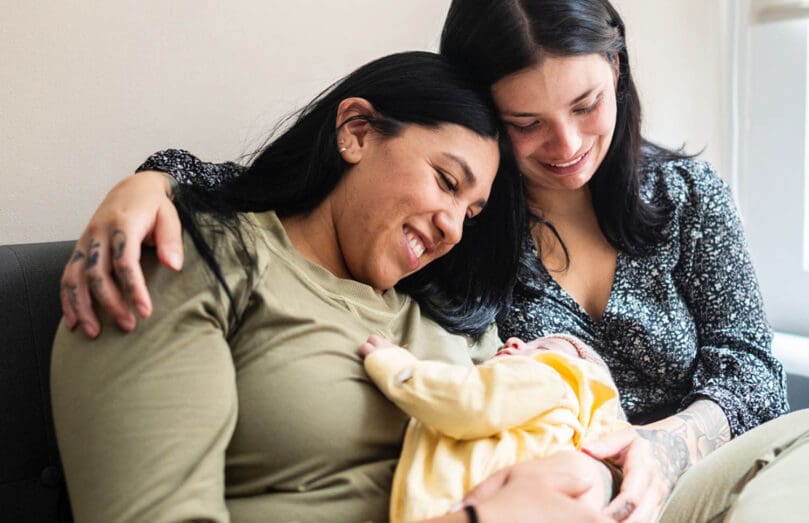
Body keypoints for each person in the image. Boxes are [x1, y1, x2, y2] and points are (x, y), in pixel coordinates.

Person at [59, 0, 809, 521]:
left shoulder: (675, 200)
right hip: (548, 492)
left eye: (585, 103)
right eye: (526, 124)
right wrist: (155, 179)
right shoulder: (457, 248)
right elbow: (265, 195)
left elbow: (751, 370)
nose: (566, 144)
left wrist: (658, 448)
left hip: (672, 475)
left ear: (617, 68)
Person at [51, 51, 623, 523]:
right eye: (447, 181)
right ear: (356, 132)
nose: (453, 228)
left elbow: (561, 437)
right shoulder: (197, 258)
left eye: (470, 214)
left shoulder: (447, 316)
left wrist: (600, 475)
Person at [359, 332, 627, 521]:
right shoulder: (560, 432)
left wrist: (401, 368)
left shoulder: (548, 379)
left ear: (574, 373)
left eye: (544, 347)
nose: (514, 341)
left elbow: (469, 400)